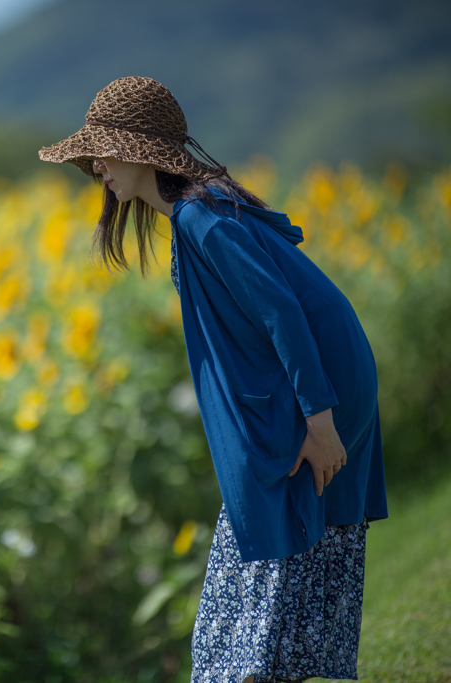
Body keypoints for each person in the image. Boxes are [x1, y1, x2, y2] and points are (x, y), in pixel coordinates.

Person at [38, 76, 388, 683]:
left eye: (105, 149)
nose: (96, 166)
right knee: (271, 551)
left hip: (318, 388)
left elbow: (281, 314)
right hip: (313, 383)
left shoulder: (203, 219)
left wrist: (320, 421)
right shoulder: (194, 214)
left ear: (144, 151)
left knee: (264, 550)